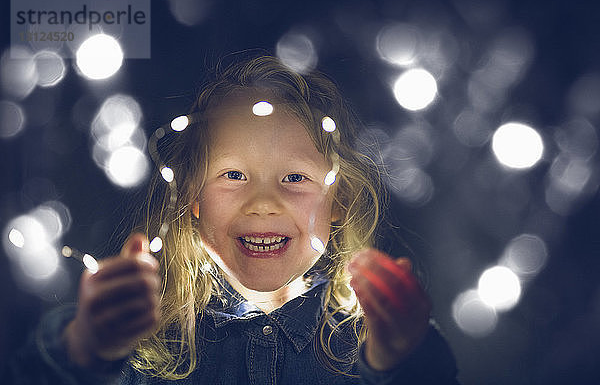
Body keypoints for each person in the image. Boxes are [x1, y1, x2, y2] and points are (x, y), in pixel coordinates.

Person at [4, 54, 459, 384]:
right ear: (192, 196)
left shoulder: (370, 343)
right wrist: (86, 347)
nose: (263, 203)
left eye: (295, 177)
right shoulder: (144, 344)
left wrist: (405, 359)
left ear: (338, 200)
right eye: (234, 174)